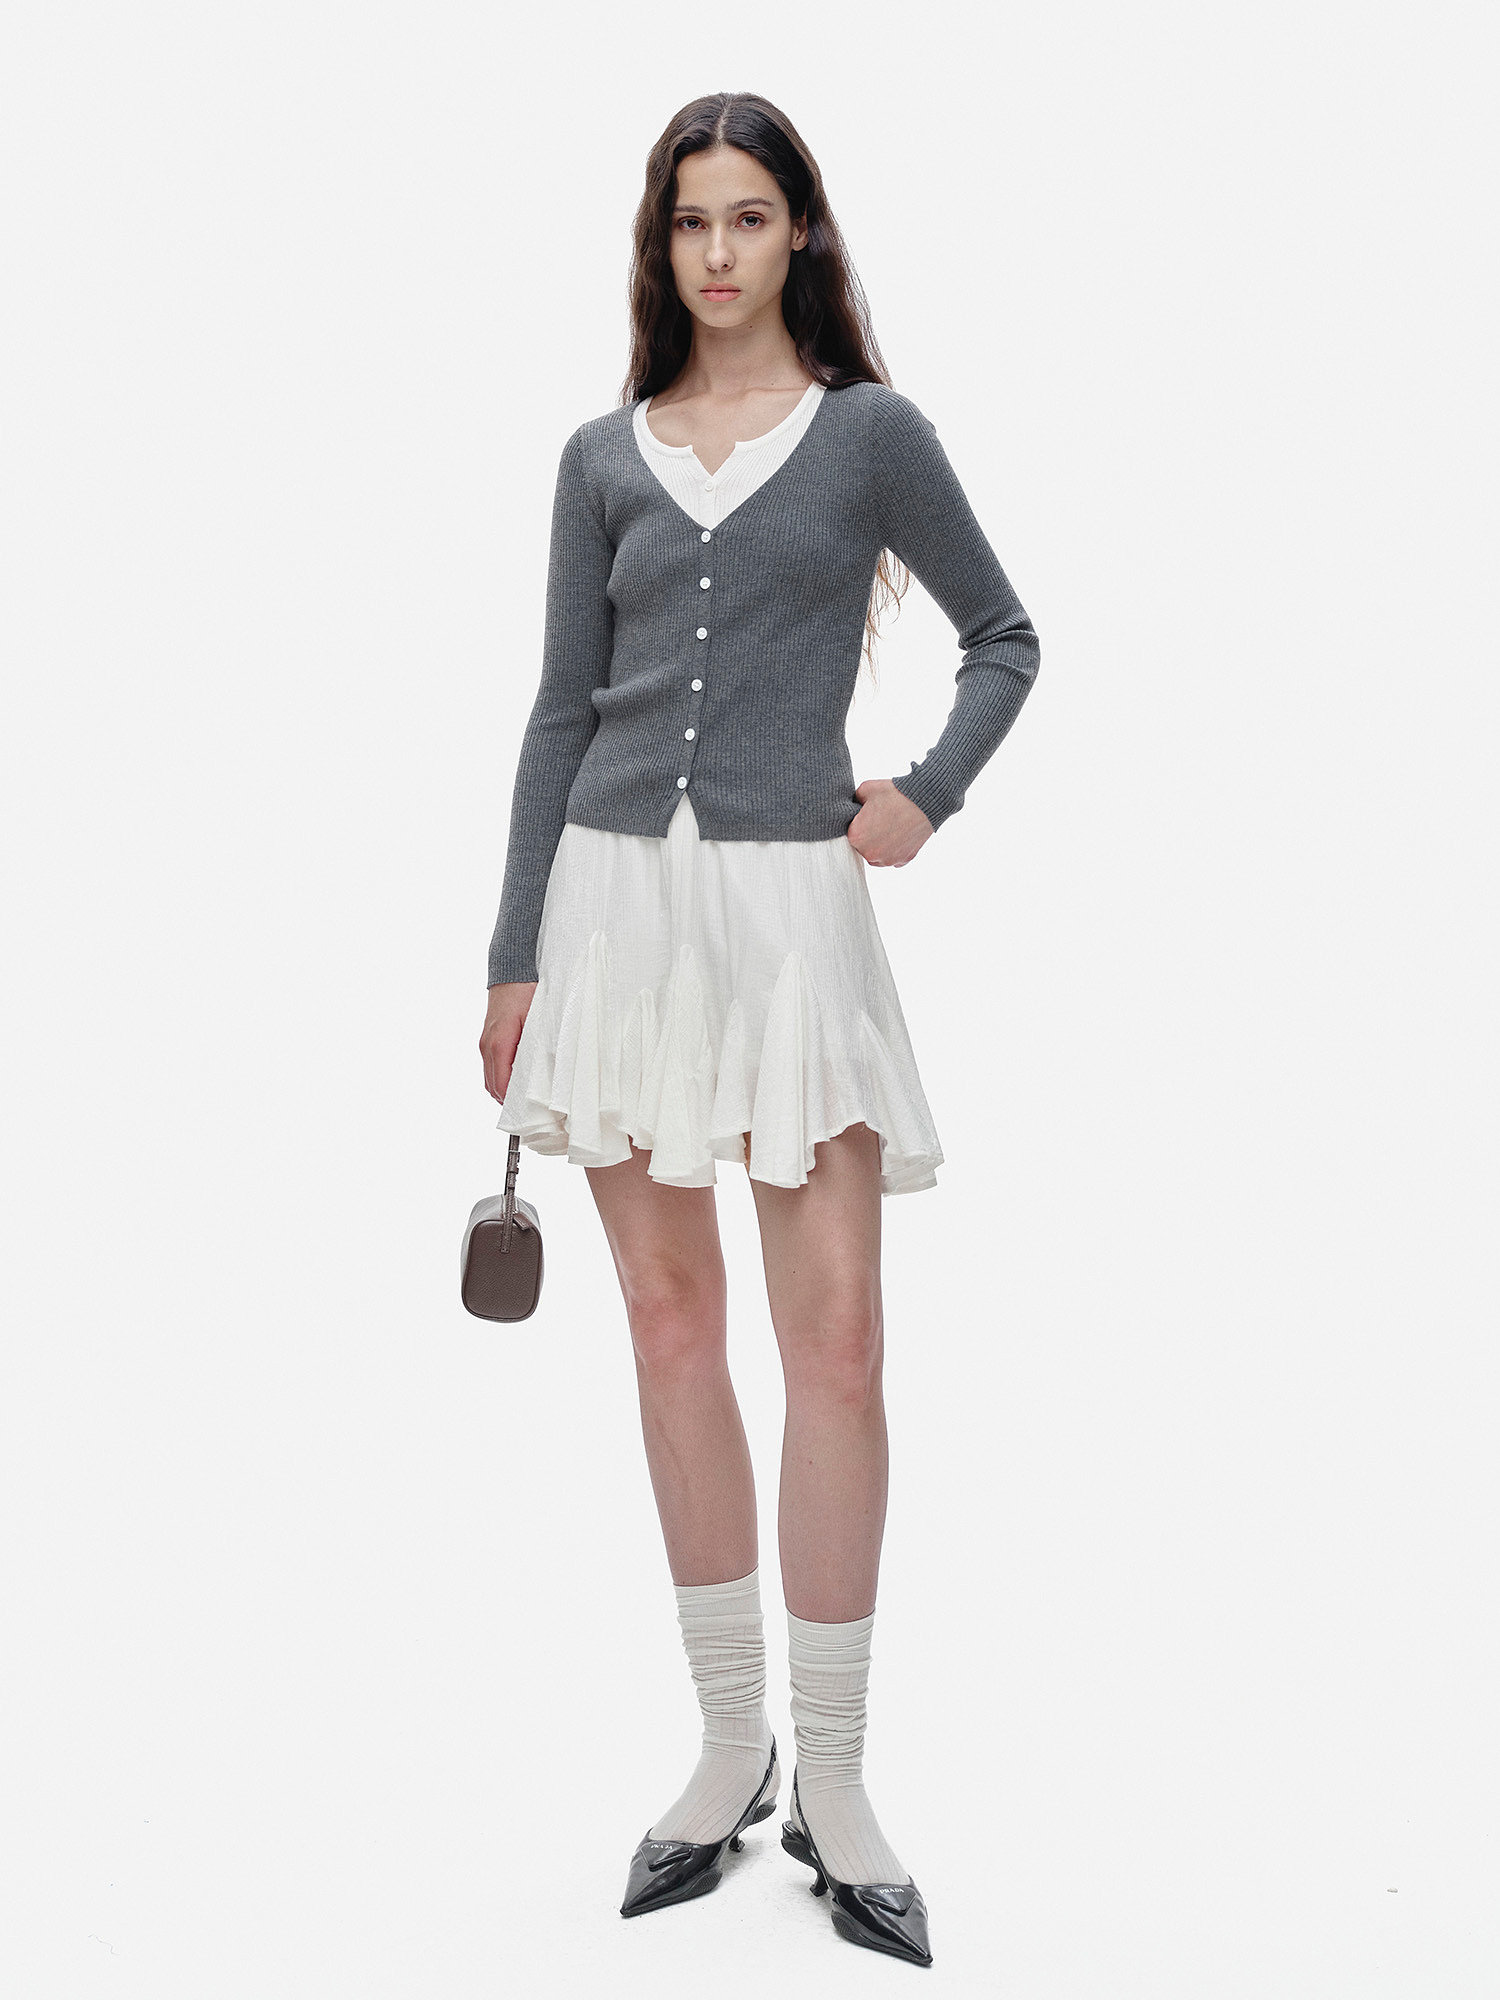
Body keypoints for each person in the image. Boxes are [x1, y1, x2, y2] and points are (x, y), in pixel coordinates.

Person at [479, 91, 1040, 1969]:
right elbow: (560, 711)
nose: (716, 251)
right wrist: (513, 959)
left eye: (747, 216)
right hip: (615, 914)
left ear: (801, 231)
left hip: (796, 921)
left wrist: (926, 795)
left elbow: (1007, 635)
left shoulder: (874, 435)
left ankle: (841, 1775)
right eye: (688, 222)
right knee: (667, 1325)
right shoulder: (600, 456)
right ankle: (731, 1748)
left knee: (842, 1343)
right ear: (663, 248)